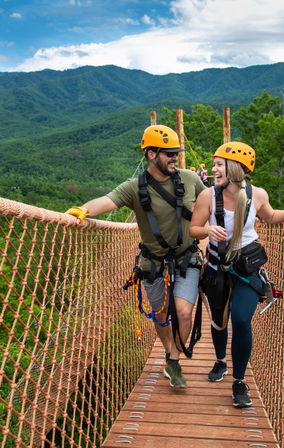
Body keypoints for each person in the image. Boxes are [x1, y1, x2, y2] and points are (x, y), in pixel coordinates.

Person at [66, 124, 206, 388]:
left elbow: (210, 201)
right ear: (152, 154)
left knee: (184, 313)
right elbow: (108, 201)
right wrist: (83, 209)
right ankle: (168, 351)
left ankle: (174, 360)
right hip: (152, 262)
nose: (175, 158)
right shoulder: (134, 187)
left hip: (186, 258)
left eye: (176, 153)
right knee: (161, 314)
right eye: (169, 154)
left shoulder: (190, 179)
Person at [189, 141, 284, 407]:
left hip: (247, 267)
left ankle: (239, 382)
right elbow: (193, 229)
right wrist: (207, 232)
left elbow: (269, 217)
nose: (213, 169)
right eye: (214, 164)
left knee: (240, 318)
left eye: (218, 164)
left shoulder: (257, 195)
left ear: (236, 169)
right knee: (219, 320)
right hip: (217, 265)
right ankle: (220, 361)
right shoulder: (207, 197)